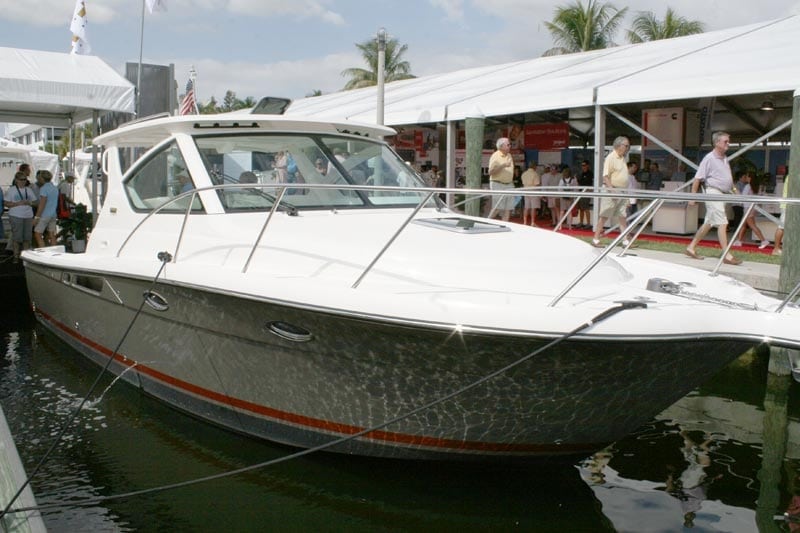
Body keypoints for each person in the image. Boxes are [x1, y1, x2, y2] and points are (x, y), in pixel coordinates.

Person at [685, 131, 741, 265]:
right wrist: (692, 197)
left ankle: (691, 247)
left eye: (728, 141)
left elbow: (728, 177)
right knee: (723, 222)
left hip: (722, 193)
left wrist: (734, 190)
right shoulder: (709, 158)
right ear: (717, 143)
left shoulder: (724, 158)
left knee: (709, 223)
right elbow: (697, 178)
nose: (728, 144)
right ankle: (726, 254)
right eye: (725, 141)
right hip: (713, 192)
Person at [592, 136, 632, 248]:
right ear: (619, 145)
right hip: (612, 189)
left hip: (621, 190)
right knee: (605, 215)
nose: (627, 148)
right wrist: (612, 190)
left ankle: (625, 240)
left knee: (622, 216)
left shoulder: (623, 158)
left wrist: (626, 195)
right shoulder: (611, 157)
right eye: (626, 145)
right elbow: (605, 176)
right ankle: (595, 239)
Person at [4, 171, 36, 263]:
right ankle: (16, 256)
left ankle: (25, 257)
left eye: (25, 179)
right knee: (17, 237)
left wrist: (30, 203)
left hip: (28, 216)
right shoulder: (11, 190)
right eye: (21, 179)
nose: (23, 181)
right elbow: (6, 203)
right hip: (16, 215)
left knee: (27, 238)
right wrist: (17, 203)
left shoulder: (29, 190)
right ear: (16, 180)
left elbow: (35, 202)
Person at [732, 171, 769, 248]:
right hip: (752, 207)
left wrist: (734, 189)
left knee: (752, 225)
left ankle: (763, 241)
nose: (746, 178)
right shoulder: (757, 186)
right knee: (743, 225)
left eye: (747, 177)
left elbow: (742, 197)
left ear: (750, 178)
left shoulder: (748, 186)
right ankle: (739, 241)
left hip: (747, 208)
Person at [487, 137, 515, 221]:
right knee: (497, 207)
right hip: (498, 184)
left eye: (510, 144)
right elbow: (490, 172)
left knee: (508, 208)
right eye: (508, 144)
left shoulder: (509, 155)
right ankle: (486, 222)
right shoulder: (495, 156)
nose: (510, 146)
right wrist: (502, 165)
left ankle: (505, 226)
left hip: (509, 184)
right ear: (501, 146)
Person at [32, 170, 58, 247]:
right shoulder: (54, 188)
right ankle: (54, 251)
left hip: (45, 215)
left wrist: (36, 217)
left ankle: (43, 251)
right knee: (51, 234)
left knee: (37, 234)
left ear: (42, 178)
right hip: (53, 214)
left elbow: (42, 204)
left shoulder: (43, 188)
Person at [520, 160, 541, 226]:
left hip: (526, 191)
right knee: (533, 208)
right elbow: (537, 184)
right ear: (534, 166)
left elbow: (523, 183)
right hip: (533, 191)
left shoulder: (524, 174)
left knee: (526, 207)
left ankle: (525, 222)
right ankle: (532, 222)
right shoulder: (535, 174)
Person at [773, 176, 789, 256]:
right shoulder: (792, 176)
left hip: (791, 205)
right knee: (782, 227)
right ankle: (776, 248)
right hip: (787, 205)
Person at [577, 160, 593, 229]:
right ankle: (581, 222)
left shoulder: (590, 174)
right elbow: (579, 182)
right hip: (581, 192)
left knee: (586, 208)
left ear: (587, 165)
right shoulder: (581, 173)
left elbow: (589, 182)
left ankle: (588, 223)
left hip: (586, 192)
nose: (583, 167)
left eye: (584, 165)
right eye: (582, 165)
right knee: (581, 208)